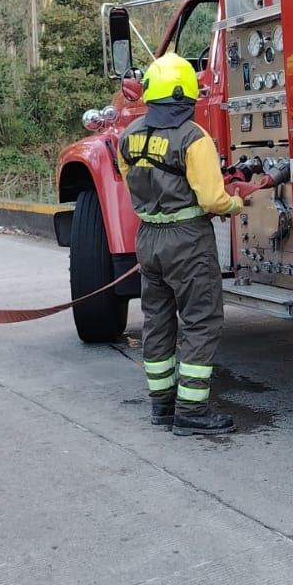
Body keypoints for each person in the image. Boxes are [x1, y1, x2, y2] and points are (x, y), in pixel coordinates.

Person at [117, 53, 246, 436]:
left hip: (149, 238)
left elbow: (129, 182)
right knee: (201, 321)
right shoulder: (194, 138)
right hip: (187, 241)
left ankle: (162, 406)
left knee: (156, 321)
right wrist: (237, 202)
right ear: (187, 96)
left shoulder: (129, 137)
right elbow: (212, 200)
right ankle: (191, 410)